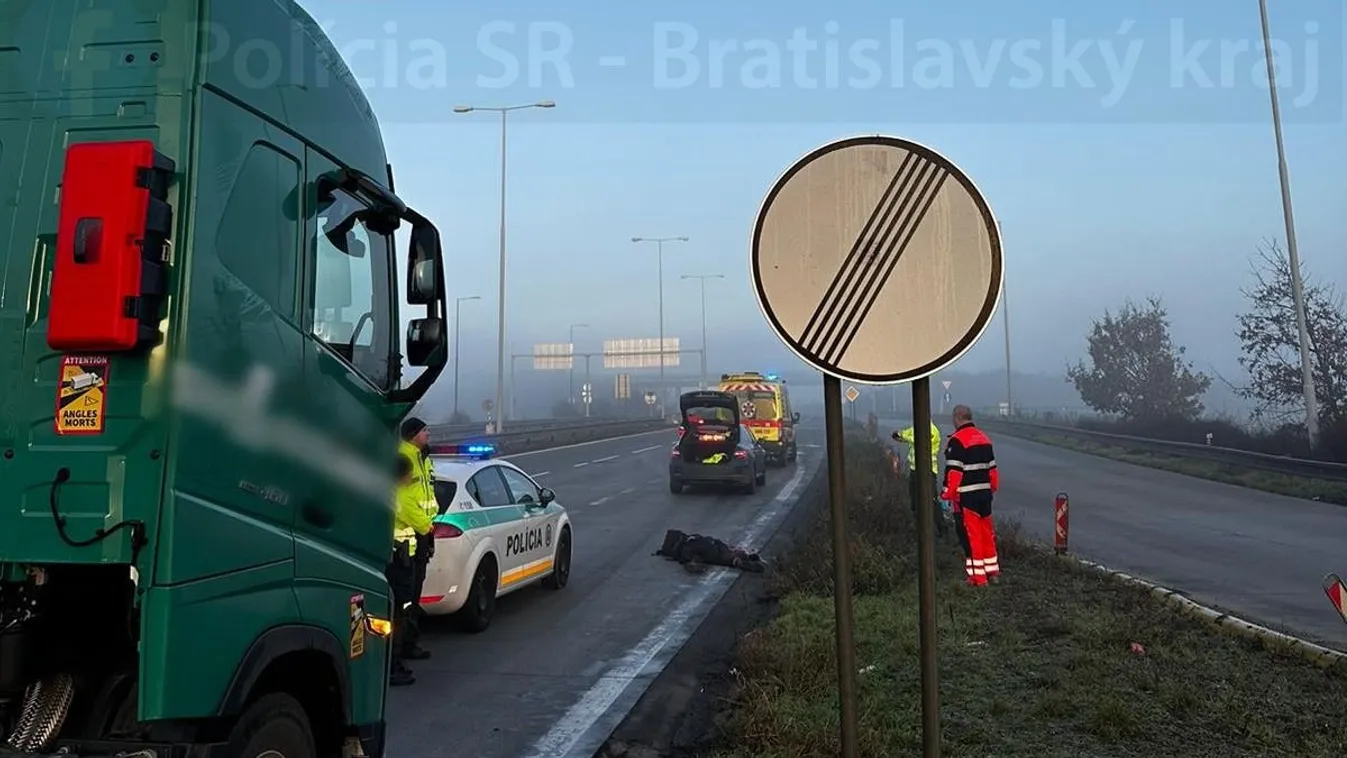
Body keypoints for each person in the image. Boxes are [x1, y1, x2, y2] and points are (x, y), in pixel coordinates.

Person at [941, 405, 1000, 586]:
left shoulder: (957, 441)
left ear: (957, 418)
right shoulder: (984, 438)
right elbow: (993, 470)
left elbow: (954, 473)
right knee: (986, 534)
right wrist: (991, 488)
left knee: (971, 536)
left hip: (967, 497)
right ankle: (993, 572)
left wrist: (946, 494)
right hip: (985, 495)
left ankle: (978, 578)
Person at [397, 417, 439, 661]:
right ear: (413, 434)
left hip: (422, 534)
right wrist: (424, 526)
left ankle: (410, 644)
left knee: (415, 593)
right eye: (425, 430)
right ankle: (400, 650)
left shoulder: (424, 458)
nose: (428, 434)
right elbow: (403, 500)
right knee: (406, 597)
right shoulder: (404, 457)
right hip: (410, 534)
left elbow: (427, 493)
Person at [388, 454, 428, 686]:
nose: (412, 477)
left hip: (394, 559)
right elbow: (422, 524)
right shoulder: (400, 498)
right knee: (397, 615)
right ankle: (393, 666)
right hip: (398, 562)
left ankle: (393, 662)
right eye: (409, 473)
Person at [893, 420, 946, 537]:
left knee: (932, 501)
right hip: (914, 469)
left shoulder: (932, 430)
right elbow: (907, 433)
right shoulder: (916, 427)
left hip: (928, 470)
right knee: (914, 500)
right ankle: (919, 528)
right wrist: (899, 434)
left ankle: (942, 529)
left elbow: (920, 441)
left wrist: (903, 436)